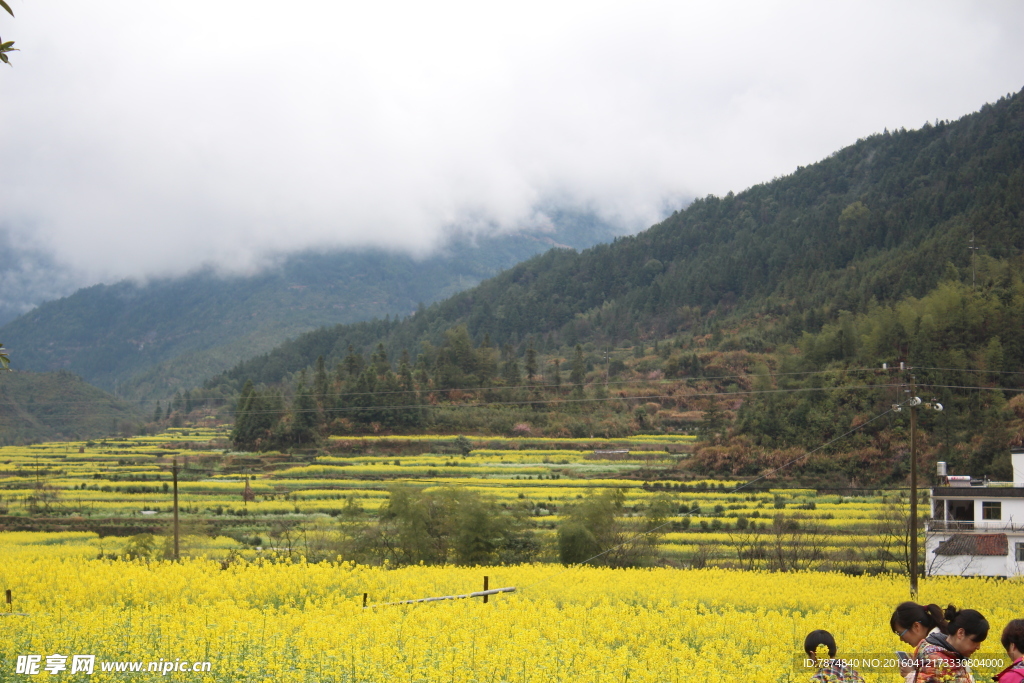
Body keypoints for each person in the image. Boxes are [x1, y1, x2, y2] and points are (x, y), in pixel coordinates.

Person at [913, 605, 989, 683]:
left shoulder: (952, 655)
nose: (978, 647)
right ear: (960, 633)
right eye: (975, 641)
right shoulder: (936, 661)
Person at [891, 602, 949, 682]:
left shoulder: (932, 649)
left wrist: (911, 675)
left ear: (916, 626)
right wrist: (919, 667)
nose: (901, 639)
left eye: (901, 633)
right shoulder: (942, 637)